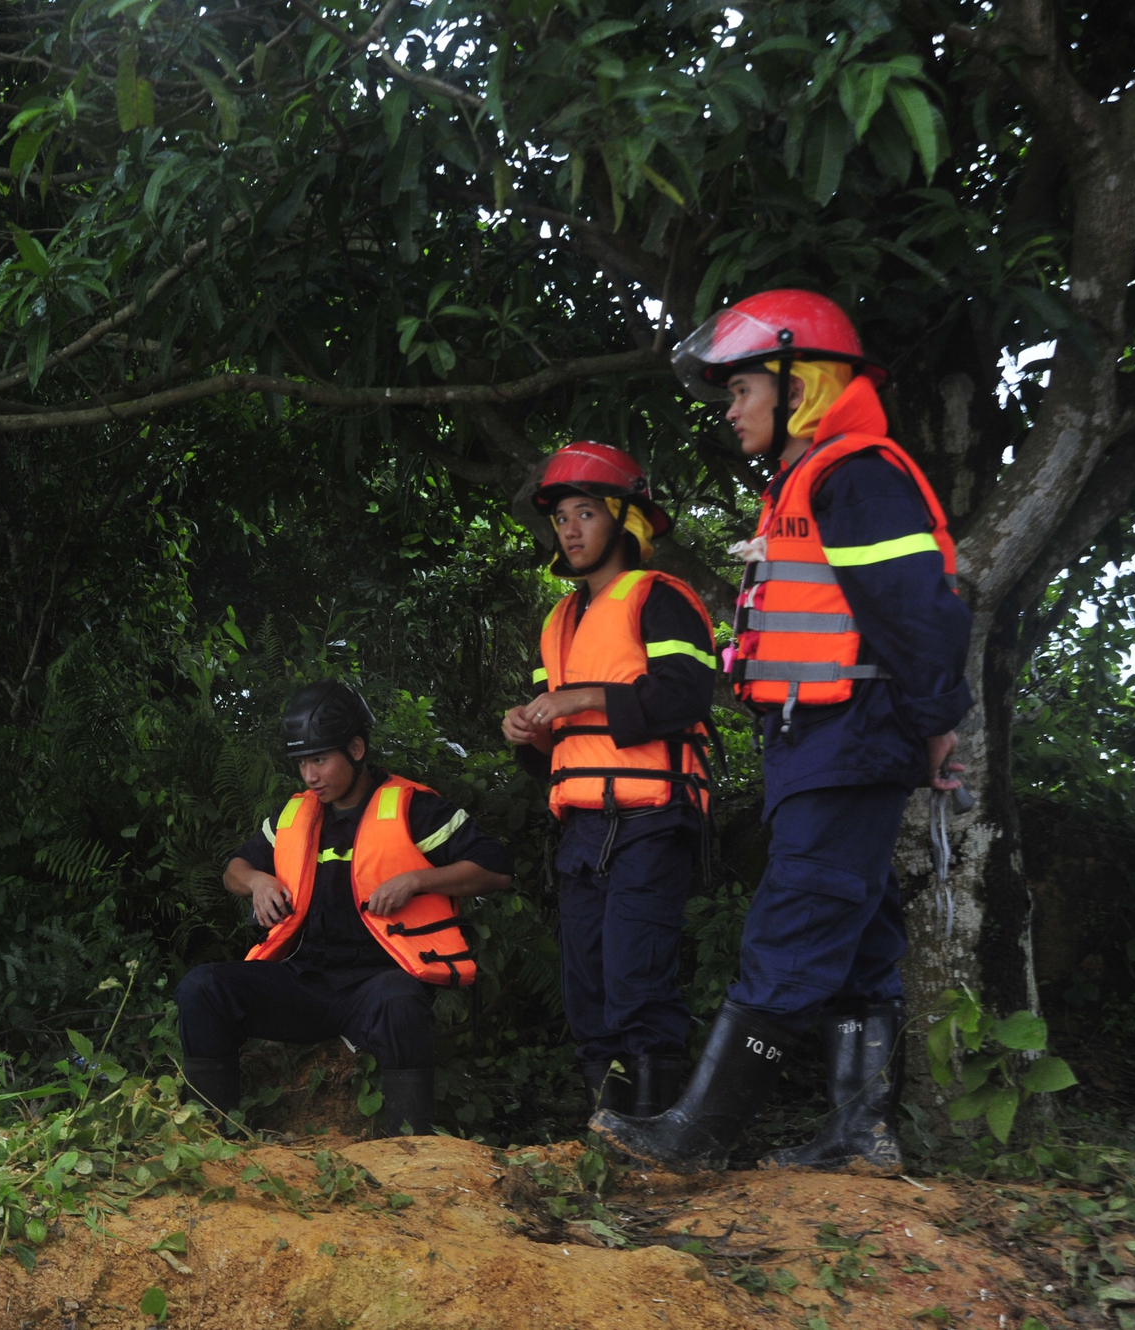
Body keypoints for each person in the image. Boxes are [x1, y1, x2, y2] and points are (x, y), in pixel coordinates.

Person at [591, 290, 974, 1174]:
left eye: (740, 391)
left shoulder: (856, 475)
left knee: (793, 922)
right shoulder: (814, 480)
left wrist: (933, 725)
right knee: (862, 932)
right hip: (825, 740)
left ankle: (699, 1138)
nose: (729, 411)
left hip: (848, 737)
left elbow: (920, 615)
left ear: (800, 383)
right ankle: (858, 1134)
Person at [176, 681, 513, 1135]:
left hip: (376, 987)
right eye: (301, 763)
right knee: (203, 988)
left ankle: (408, 1149)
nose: (309, 776)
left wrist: (418, 879)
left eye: (319, 759)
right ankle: (211, 1136)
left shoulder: (416, 808)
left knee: (401, 1000)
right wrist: (256, 881)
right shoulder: (296, 815)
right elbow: (234, 868)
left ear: (356, 749)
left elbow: (496, 870)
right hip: (304, 983)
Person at [502, 443, 718, 1120]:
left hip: (653, 819)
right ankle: (610, 1139)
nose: (568, 529)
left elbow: (687, 693)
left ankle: (658, 1139)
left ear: (625, 520)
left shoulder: (662, 598)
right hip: (581, 831)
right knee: (587, 988)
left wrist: (580, 699)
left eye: (585, 512)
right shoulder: (558, 621)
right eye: (562, 515)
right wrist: (529, 734)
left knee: (636, 981)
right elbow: (552, 753)